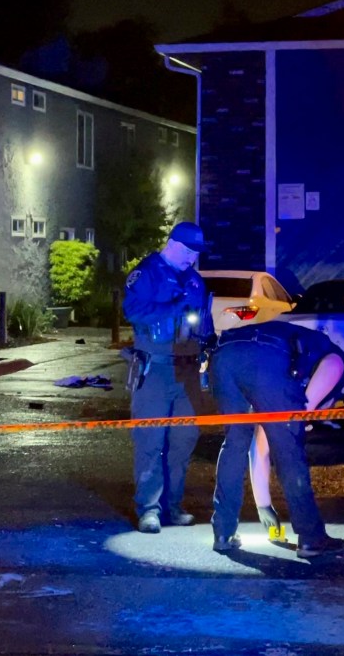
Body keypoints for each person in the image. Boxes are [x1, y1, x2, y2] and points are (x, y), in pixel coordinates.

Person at [209, 320, 344, 558]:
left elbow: (259, 448)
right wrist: (300, 422)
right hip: (263, 357)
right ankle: (311, 539)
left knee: (234, 443)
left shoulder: (302, 348)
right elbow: (292, 425)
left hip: (224, 355)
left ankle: (223, 533)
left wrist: (264, 505)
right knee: (289, 450)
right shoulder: (337, 362)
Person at [122, 222, 216, 534]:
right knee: (150, 442)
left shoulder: (194, 280)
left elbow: (204, 321)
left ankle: (173, 506)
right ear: (173, 243)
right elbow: (133, 311)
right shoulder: (146, 272)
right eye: (189, 251)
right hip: (155, 368)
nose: (193, 258)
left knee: (182, 443)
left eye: (196, 253)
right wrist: (172, 309)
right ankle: (149, 509)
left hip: (187, 371)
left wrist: (209, 340)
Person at [248, 340, 344, 538]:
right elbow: (259, 449)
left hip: (325, 365)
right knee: (291, 455)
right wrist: (263, 504)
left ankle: (310, 537)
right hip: (284, 371)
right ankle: (310, 539)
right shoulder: (269, 387)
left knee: (291, 449)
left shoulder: (332, 363)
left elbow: (301, 414)